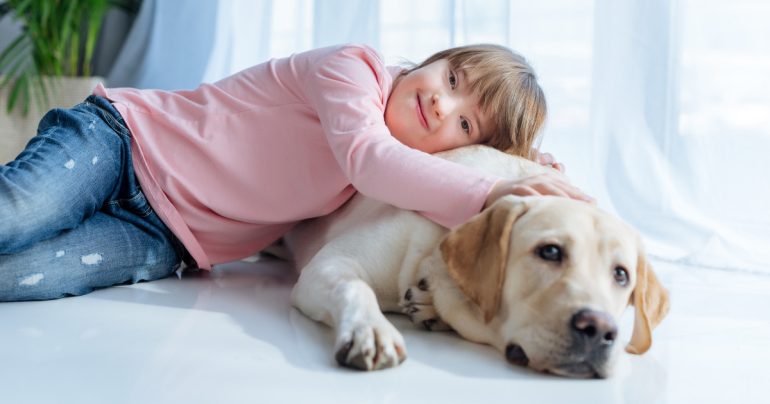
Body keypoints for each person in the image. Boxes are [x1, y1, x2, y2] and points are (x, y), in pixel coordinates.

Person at [0, 43, 590, 301]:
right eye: (453, 80)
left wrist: (523, 166)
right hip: (123, 142)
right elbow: (370, 157)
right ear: (432, 61)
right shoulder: (352, 70)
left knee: (26, 277)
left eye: (465, 127)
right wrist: (496, 189)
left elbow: (389, 181)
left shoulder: (379, 181)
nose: (443, 104)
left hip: (167, 236)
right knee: (17, 214)